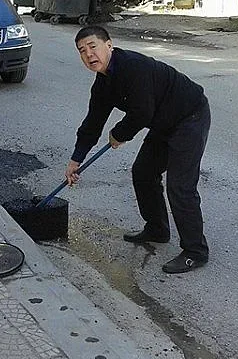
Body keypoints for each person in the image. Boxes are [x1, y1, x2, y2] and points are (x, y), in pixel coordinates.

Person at [65, 26, 212, 274]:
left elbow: (142, 112)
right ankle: (157, 229)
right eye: (82, 51)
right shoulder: (103, 84)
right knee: (143, 172)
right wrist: (75, 160)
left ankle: (195, 252)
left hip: (189, 116)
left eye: (92, 46)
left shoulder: (133, 67)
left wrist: (119, 134)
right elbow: (92, 123)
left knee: (180, 186)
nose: (88, 54)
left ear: (109, 45)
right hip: (163, 121)